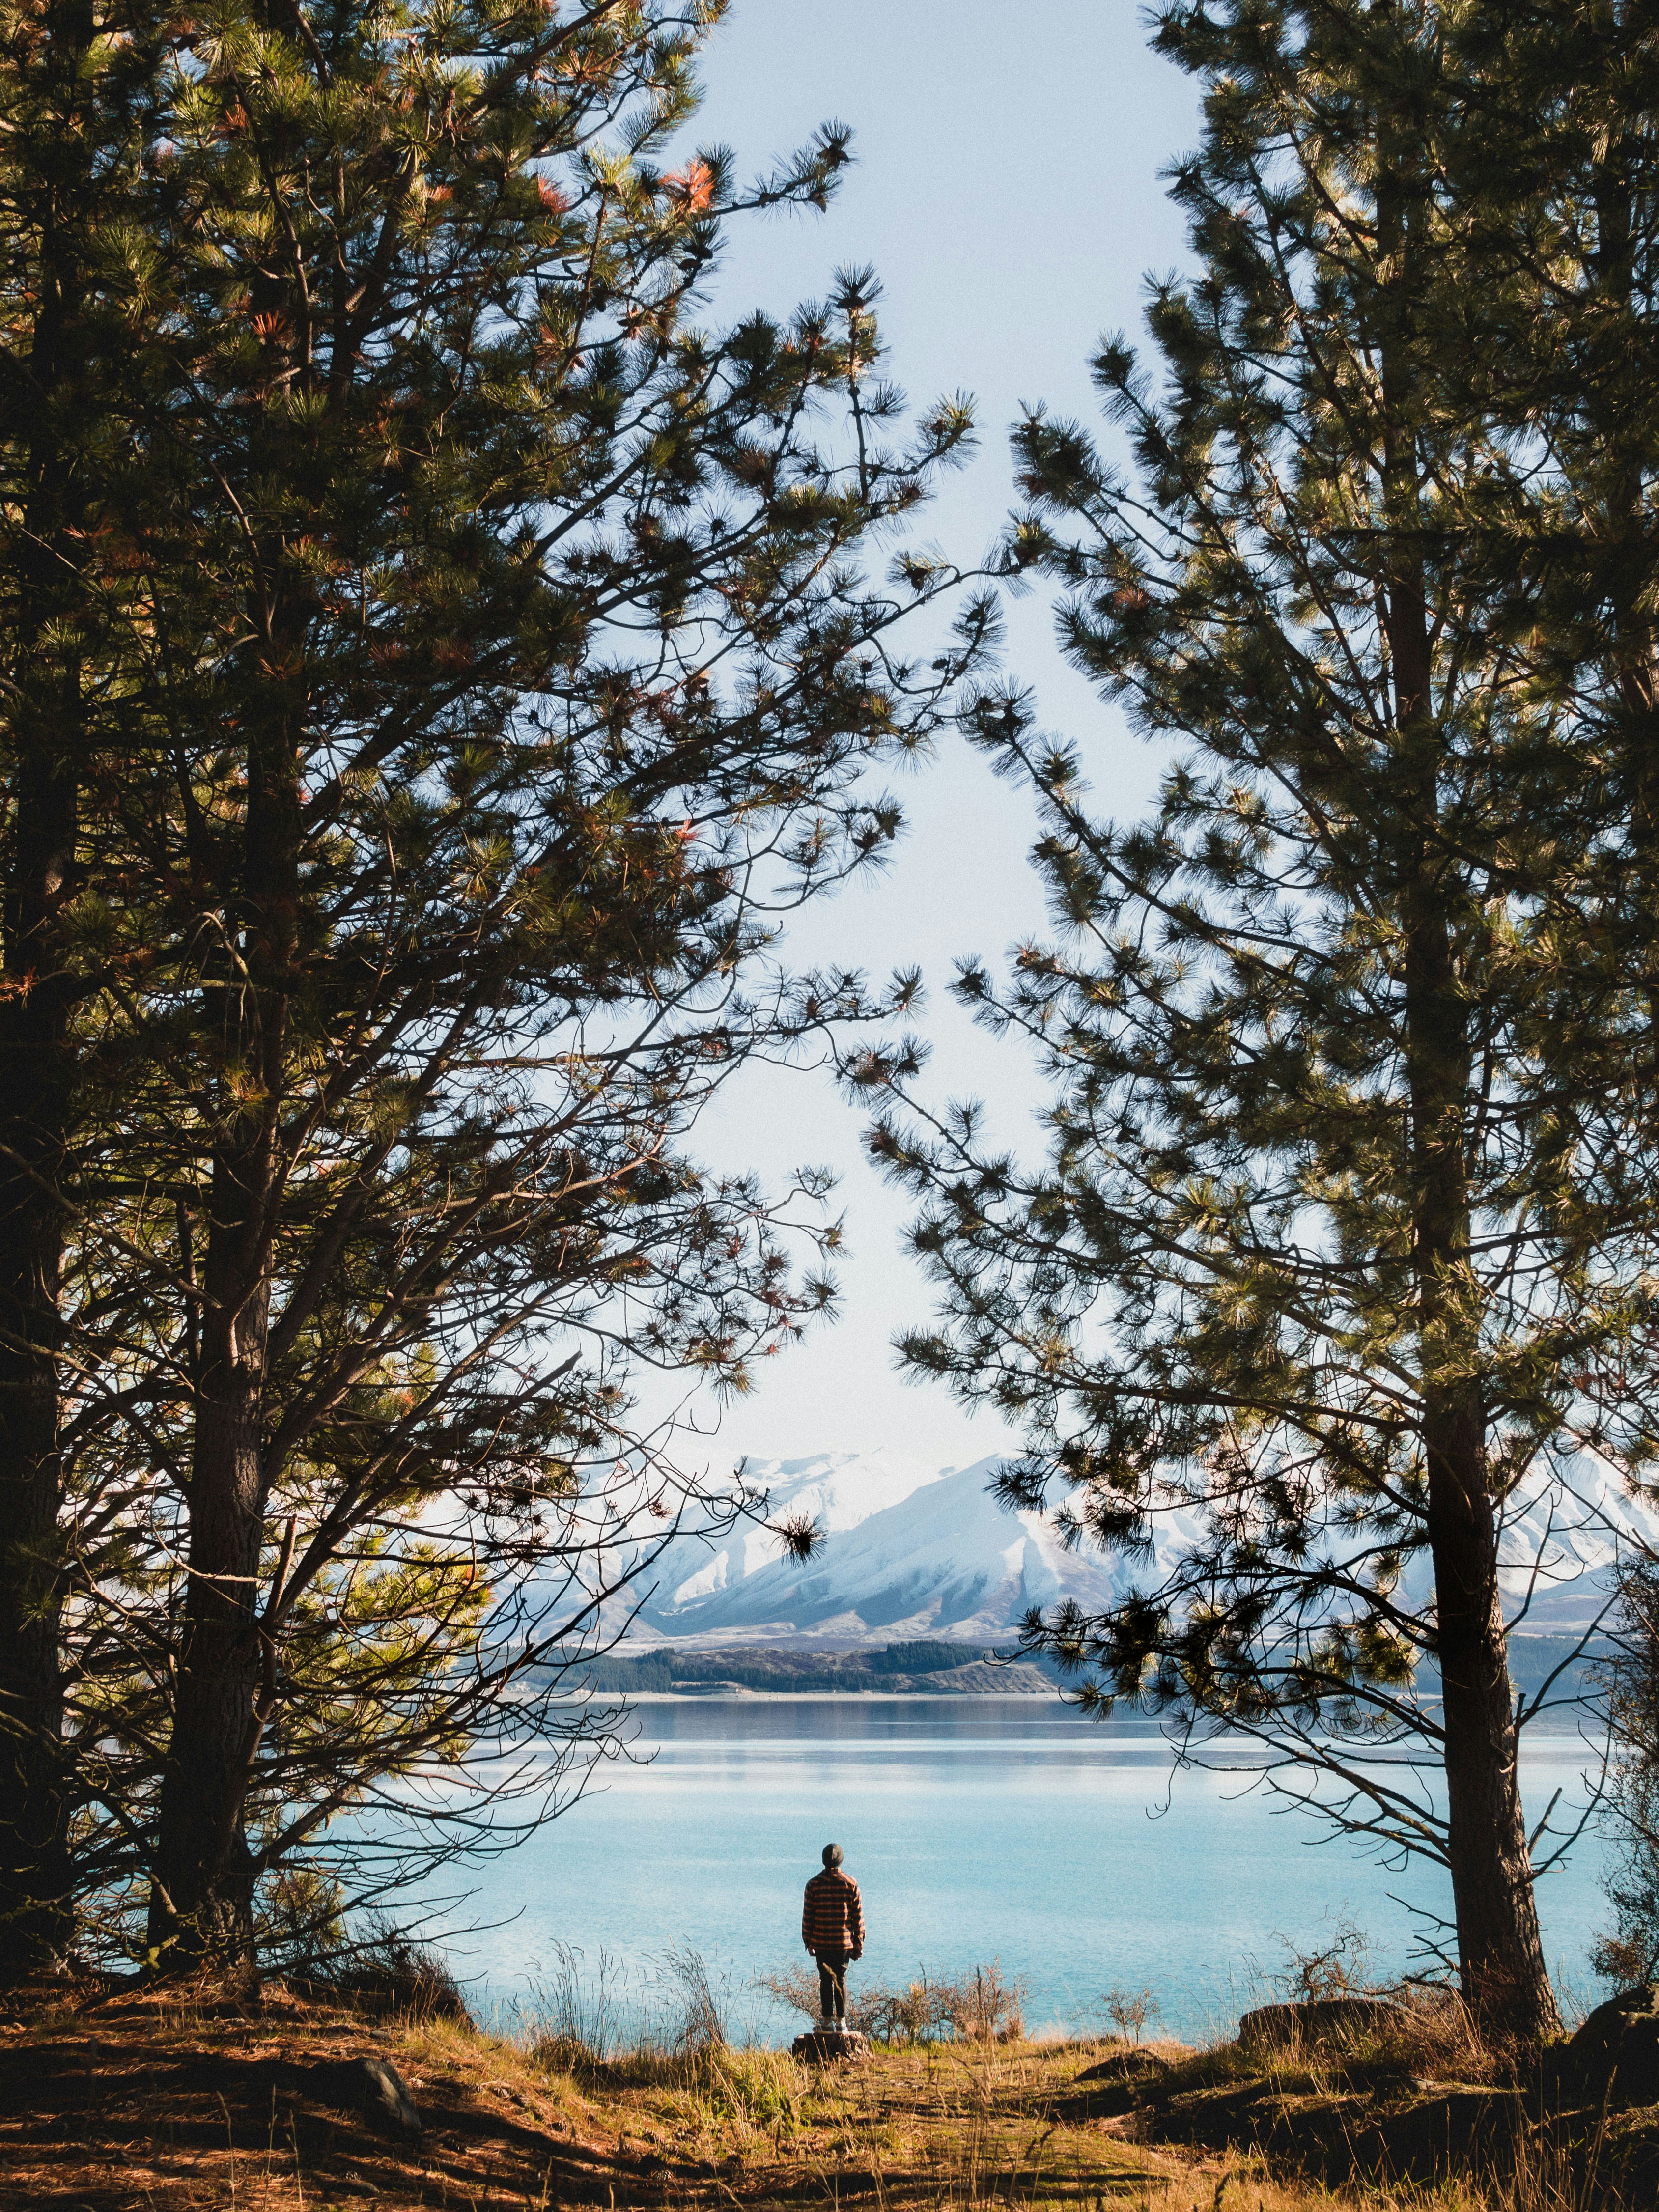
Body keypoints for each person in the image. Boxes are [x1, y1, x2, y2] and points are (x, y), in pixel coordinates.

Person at [801, 1842, 864, 2031]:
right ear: (841, 1860)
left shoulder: (813, 1885)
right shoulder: (851, 1884)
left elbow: (808, 1916)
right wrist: (858, 1944)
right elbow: (858, 1918)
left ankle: (827, 2021)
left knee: (825, 1981)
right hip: (843, 1944)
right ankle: (842, 2022)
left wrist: (808, 1940)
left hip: (822, 1942)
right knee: (841, 1979)